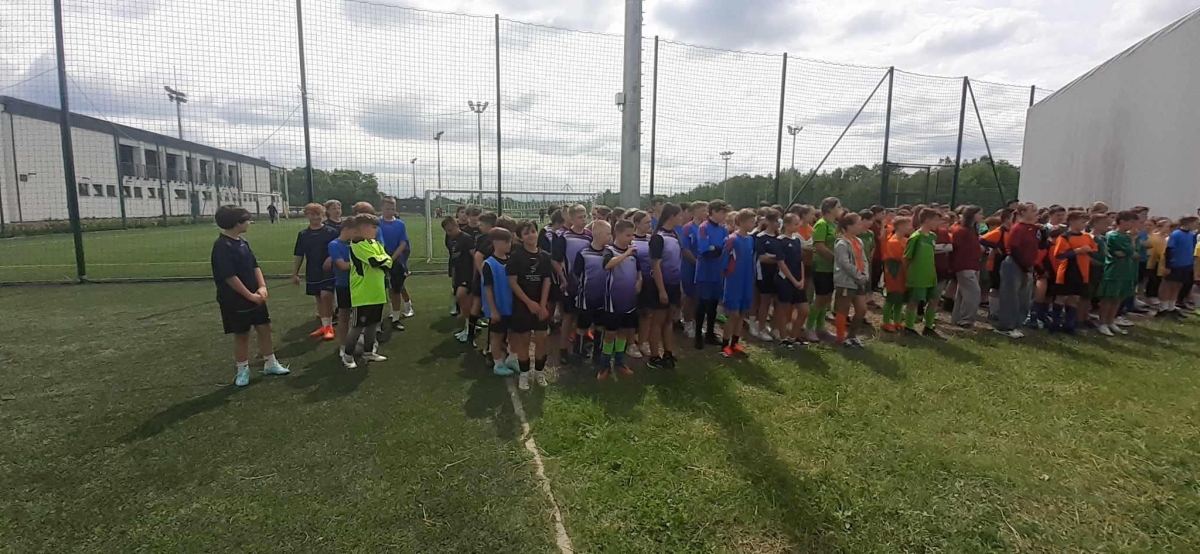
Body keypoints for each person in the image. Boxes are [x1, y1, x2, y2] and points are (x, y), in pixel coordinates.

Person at [211, 205, 289, 387]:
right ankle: (242, 370)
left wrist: (262, 287)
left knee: (264, 328)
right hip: (235, 299)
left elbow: (255, 265)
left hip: (255, 295)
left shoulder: (243, 242)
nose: (249, 223)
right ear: (236, 223)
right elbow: (230, 277)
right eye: (247, 220)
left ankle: (271, 363)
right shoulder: (221, 246)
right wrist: (250, 296)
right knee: (242, 334)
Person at [342, 214, 391, 369]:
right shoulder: (357, 244)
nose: (376, 230)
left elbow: (389, 260)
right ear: (362, 228)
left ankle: (368, 353)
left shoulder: (375, 243)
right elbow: (374, 261)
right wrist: (384, 260)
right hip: (362, 293)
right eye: (373, 227)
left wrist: (384, 259)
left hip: (377, 291)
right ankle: (347, 355)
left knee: (373, 324)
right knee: (357, 326)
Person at [508, 221, 553, 390]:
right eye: (526, 233)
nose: (531, 235)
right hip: (522, 306)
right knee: (524, 341)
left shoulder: (545, 256)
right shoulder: (516, 256)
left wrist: (542, 305)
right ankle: (524, 375)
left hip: (540, 305)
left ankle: (539, 373)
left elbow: (547, 281)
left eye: (533, 231)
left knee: (542, 339)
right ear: (520, 237)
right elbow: (513, 282)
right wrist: (528, 302)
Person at [598, 220, 642, 380]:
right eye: (628, 235)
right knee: (610, 333)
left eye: (632, 235)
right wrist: (625, 254)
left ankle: (619, 362)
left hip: (629, 300)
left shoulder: (633, 252)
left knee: (623, 332)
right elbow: (607, 265)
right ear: (617, 234)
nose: (631, 238)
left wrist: (640, 280)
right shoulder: (609, 250)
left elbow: (638, 270)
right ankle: (604, 365)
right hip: (613, 301)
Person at [292, 203, 339, 341]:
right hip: (312, 270)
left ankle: (329, 326)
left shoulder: (331, 232)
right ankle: (324, 325)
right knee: (318, 297)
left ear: (323, 215)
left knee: (326, 295)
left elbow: (339, 248)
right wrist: (295, 273)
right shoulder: (303, 234)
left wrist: (331, 258)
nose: (315, 217)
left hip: (328, 270)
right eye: (312, 214)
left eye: (318, 214)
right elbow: (299, 254)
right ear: (307, 216)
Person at [647, 204, 684, 369]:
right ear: (672, 216)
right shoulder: (658, 237)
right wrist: (661, 290)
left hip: (674, 283)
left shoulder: (674, 234)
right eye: (679, 215)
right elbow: (655, 266)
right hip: (661, 284)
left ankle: (668, 352)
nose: (681, 218)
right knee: (657, 321)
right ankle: (654, 356)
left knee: (669, 319)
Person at [995, 203, 1040, 338]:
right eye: (1033, 210)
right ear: (1022, 212)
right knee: (1010, 296)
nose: (1036, 213)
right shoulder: (1018, 228)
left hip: (1027, 265)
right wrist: (1024, 265)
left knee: (1024, 297)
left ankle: (1016, 324)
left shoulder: (1034, 228)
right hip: (1015, 264)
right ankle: (1005, 326)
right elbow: (1014, 248)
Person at [572, 220, 612, 366]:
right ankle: (578, 353)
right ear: (598, 234)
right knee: (582, 326)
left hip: (603, 298)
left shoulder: (609, 253)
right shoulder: (583, 253)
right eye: (608, 233)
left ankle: (597, 353)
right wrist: (582, 287)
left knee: (601, 325)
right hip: (586, 298)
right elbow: (576, 273)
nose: (610, 236)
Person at [1047, 211, 1094, 334]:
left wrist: (1089, 251)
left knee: (1074, 297)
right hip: (1067, 270)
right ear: (1072, 222)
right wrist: (1077, 251)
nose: (1084, 224)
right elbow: (1060, 254)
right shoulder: (1064, 237)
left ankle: (1069, 325)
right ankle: (1055, 323)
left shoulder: (1087, 237)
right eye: (1082, 222)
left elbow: (1093, 250)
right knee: (1062, 297)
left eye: (1085, 222)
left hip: (1082, 271)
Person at [557, 204, 593, 363]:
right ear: (571, 219)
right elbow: (556, 260)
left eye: (585, 216)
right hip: (570, 282)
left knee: (582, 316)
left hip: (586, 283)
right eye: (579, 217)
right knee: (568, 316)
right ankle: (563, 350)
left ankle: (580, 347)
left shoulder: (589, 236)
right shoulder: (563, 236)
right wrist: (563, 279)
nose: (583, 219)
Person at [694, 200, 731, 349]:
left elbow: (725, 250)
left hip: (718, 271)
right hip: (705, 271)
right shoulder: (703, 228)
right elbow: (706, 252)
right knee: (702, 304)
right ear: (714, 212)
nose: (725, 215)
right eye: (722, 212)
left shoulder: (723, 230)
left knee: (714, 305)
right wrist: (717, 249)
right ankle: (698, 335)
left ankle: (710, 333)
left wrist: (715, 248)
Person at [720, 209, 757, 357]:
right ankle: (725, 344)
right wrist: (726, 275)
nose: (753, 225)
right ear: (741, 222)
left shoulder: (750, 239)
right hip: (734, 280)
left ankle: (735, 343)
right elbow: (724, 260)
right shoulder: (732, 239)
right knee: (733, 314)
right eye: (751, 222)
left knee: (742, 313)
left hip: (747, 279)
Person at [1096, 211, 1140, 336]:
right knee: (1108, 298)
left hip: (1126, 270)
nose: (1133, 225)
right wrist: (1132, 242)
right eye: (1131, 222)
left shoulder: (1127, 236)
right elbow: (1130, 251)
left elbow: (1134, 253)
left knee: (1118, 298)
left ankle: (1111, 321)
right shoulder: (1114, 236)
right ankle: (1102, 323)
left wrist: (1129, 249)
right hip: (1114, 270)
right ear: (1122, 221)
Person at [807, 197, 843, 342]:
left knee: (827, 298)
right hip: (822, 267)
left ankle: (821, 327)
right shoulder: (821, 224)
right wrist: (835, 260)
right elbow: (819, 246)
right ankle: (809, 327)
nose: (840, 209)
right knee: (820, 298)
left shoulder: (834, 224)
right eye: (838, 207)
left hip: (832, 268)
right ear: (829, 209)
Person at [481, 228, 516, 376]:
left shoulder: (511, 261)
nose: (509, 244)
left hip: (511, 306)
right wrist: (493, 310)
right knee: (497, 336)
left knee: (513, 333)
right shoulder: (489, 264)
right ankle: (498, 363)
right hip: (498, 307)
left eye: (510, 241)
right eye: (506, 242)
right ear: (496, 242)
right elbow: (487, 289)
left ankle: (512, 358)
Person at [834, 212, 870, 347]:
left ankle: (852, 335)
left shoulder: (858, 241)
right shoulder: (841, 243)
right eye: (858, 224)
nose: (861, 226)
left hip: (859, 280)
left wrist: (865, 274)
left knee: (861, 309)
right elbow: (844, 263)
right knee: (843, 310)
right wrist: (858, 275)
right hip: (846, 281)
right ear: (849, 226)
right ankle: (840, 337)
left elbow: (864, 259)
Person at [903, 209, 942, 336]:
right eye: (936, 220)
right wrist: (906, 275)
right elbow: (906, 258)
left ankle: (929, 327)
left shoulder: (932, 236)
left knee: (934, 299)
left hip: (931, 274)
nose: (938, 223)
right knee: (915, 300)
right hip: (917, 275)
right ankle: (909, 327)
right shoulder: (916, 237)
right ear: (927, 220)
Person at [773, 213, 809, 348]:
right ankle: (783, 338)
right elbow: (781, 263)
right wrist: (793, 280)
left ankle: (793, 336)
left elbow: (800, 261)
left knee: (804, 310)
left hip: (798, 280)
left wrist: (802, 278)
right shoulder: (780, 240)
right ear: (786, 225)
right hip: (785, 279)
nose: (798, 226)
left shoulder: (796, 240)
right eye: (795, 224)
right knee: (783, 309)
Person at [379, 197, 414, 330]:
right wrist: (382, 257)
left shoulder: (400, 224)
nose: (390, 211)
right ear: (382, 208)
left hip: (396, 259)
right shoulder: (376, 223)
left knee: (396, 289)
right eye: (387, 208)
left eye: (392, 209)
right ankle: (378, 320)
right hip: (379, 259)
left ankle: (396, 318)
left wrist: (391, 259)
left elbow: (403, 243)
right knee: (382, 289)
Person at [468, 212, 498, 349]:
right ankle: (475, 338)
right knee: (481, 305)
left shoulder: (489, 237)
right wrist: (483, 275)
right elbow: (478, 257)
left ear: (489, 225)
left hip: (485, 277)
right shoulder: (485, 238)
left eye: (481, 225)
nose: (479, 227)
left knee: (479, 305)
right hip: (486, 277)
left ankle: (473, 336)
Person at [443, 217, 476, 343]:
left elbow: (475, 256)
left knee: (461, 296)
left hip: (468, 274)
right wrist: (453, 276)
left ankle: (469, 327)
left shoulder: (466, 238)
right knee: (464, 301)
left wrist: (475, 275)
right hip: (459, 274)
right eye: (447, 231)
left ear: (457, 225)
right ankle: (469, 325)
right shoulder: (451, 240)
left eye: (451, 230)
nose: (449, 233)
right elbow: (453, 259)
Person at [950, 205, 984, 327]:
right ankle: (966, 320)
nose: (982, 216)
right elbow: (955, 248)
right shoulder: (962, 231)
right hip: (964, 265)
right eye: (980, 214)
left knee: (962, 294)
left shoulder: (972, 231)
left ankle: (957, 318)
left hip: (973, 265)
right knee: (973, 293)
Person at [1159, 215, 1198, 317]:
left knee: (1178, 286)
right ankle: (1163, 308)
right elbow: (1169, 250)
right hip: (1175, 264)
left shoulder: (1191, 235)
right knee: (1168, 285)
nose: (1196, 225)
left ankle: (1171, 306)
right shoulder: (1176, 234)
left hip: (1186, 265)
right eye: (1195, 223)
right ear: (1189, 223)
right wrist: (1168, 266)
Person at [327, 218, 356, 355]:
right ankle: (343, 346)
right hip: (344, 285)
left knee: (359, 315)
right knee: (344, 316)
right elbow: (342, 265)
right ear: (346, 229)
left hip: (358, 285)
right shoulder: (334, 244)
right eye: (355, 231)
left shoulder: (355, 243)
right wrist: (365, 263)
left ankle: (358, 343)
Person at [751, 208, 780, 340]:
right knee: (764, 301)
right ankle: (760, 328)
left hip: (777, 273)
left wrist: (775, 258)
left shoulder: (779, 237)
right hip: (764, 273)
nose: (778, 223)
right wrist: (778, 259)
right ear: (769, 221)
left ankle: (774, 328)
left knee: (777, 301)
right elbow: (763, 258)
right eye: (776, 220)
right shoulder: (761, 237)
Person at [680, 201, 708, 339]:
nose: (706, 213)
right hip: (690, 268)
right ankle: (687, 324)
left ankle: (697, 322)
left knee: (700, 297)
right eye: (703, 210)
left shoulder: (706, 228)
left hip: (704, 268)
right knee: (689, 296)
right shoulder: (688, 228)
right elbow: (685, 249)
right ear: (695, 212)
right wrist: (696, 263)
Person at [629, 211, 654, 360]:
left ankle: (642, 342)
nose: (649, 225)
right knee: (633, 314)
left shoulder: (651, 239)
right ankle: (631, 343)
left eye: (650, 222)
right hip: (633, 281)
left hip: (649, 281)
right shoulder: (630, 240)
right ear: (637, 224)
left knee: (647, 313)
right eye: (646, 222)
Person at [880, 216, 912, 332]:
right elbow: (900, 258)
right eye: (907, 225)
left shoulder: (905, 240)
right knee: (891, 298)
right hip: (894, 273)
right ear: (900, 226)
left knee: (900, 299)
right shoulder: (893, 241)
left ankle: (897, 321)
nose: (910, 227)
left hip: (903, 273)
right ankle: (886, 322)